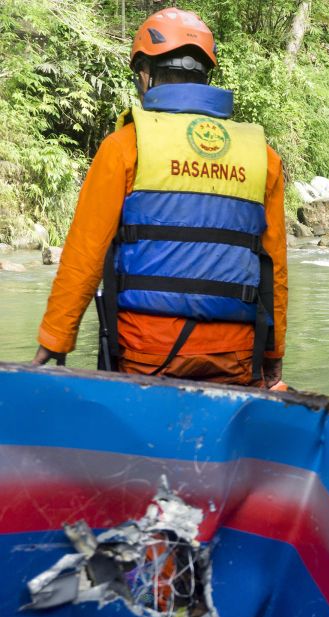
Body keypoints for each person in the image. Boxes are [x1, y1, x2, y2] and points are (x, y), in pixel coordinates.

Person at [32, 7, 287, 388]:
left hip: (146, 354)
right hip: (236, 357)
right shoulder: (261, 155)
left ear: (146, 75)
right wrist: (273, 355)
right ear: (204, 75)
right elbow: (273, 270)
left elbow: (84, 255)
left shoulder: (124, 146)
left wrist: (55, 339)